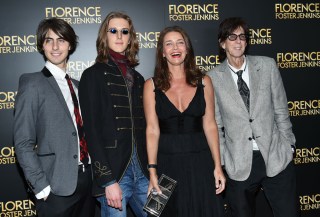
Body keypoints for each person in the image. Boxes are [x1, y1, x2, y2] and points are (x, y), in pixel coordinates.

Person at [207, 17, 299, 217]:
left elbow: (281, 110)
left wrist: (288, 145)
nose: (238, 41)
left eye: (242, 36)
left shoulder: (267, 66)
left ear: (247, 41)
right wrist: (224, 160)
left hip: (275, 155)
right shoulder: (212, 78)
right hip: (239, 162)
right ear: (222, 43)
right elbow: (215, 124)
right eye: (232, 37)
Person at [13, 18, 95, 217]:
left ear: (70, 44)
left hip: (89, 183)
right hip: (55, 187)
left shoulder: (78, 86)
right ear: (42, 45)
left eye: (61, 39)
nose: (56, 46)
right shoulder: (32, 83)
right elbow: (23, 142)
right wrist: (41, 187)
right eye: (49, 40)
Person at [143, 26, 226, 217]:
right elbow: (152, 130)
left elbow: (210, 125)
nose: (175, 48)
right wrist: (152, 172)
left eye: (180, 42)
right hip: (166, 164)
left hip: (201, 163)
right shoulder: (151, 85)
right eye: (169, 44)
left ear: (187, 49)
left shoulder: (204, 81)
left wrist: (218, 166)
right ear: (162, 52)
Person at [79, 11, 148, 217]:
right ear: (104, 36)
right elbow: (91, 131)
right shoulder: (92, 75)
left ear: (130, 37)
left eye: (124, 31)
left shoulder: (139, 78)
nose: (119, 36)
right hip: (115, 173)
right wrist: (107, 180)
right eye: (113, 31)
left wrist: (152, 172)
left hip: (143, 171)